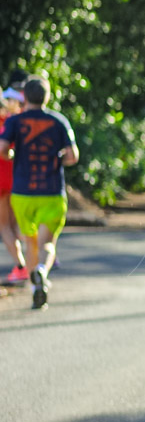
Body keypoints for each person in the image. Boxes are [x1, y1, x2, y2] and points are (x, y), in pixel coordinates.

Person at [0, 76, 79, 310]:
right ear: (47, 97)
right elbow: (73, 156)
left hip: (22, 193)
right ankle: (42, 271)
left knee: (30, 241)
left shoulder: (15, 121)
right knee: (47, 242)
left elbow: (2, 149)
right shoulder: (59, 121)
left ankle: (36, 288)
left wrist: (12, 156)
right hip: (52, 192)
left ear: (25, 97)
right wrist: (58, 158)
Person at [0, 76, 28, 286]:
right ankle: (31, 262)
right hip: (17, 178)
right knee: (15, 223)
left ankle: (21, 266)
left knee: (4, 226)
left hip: (2, 181)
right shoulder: (15, 121)